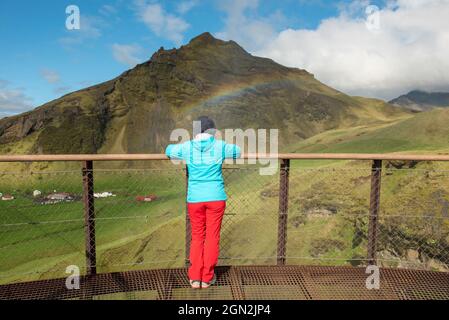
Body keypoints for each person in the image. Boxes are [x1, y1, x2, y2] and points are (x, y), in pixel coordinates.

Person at [165, 116, 241, 289]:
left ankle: (195, 278)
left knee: (198, 237)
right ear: (212, 131)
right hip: (216, 197)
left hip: (195, 199)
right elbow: (237, 151)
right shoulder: (220, 146)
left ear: (195, 131)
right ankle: (207, 278)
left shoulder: (187, 147)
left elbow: (169, 151)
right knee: (212, 237)